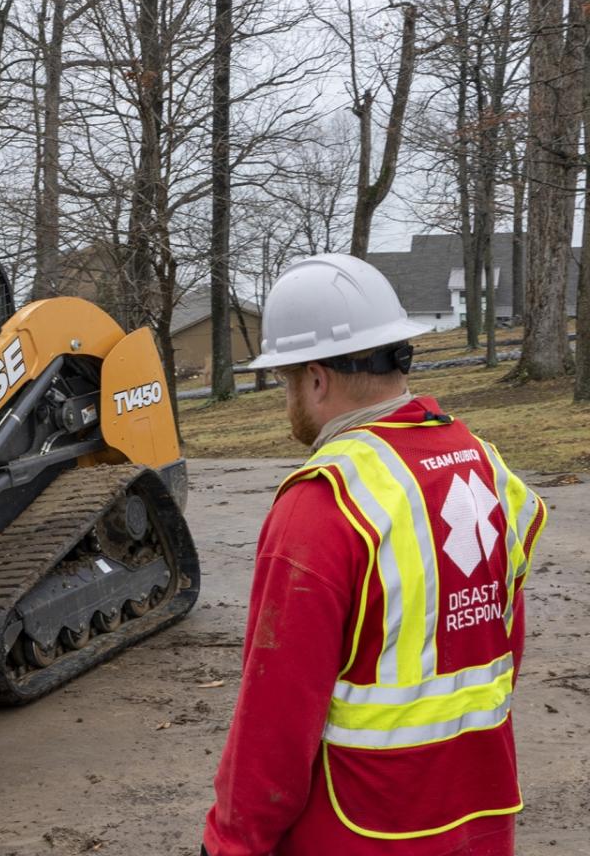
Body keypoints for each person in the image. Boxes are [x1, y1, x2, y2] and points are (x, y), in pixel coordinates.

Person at [201, 254, 547, 855]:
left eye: (285, 382)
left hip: (363, 826)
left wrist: (231, 841)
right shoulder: (487, 466)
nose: (288, 400)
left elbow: (276, 715)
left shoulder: (326, 502)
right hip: (481, 809)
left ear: (315, 378)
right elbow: (501, 644)